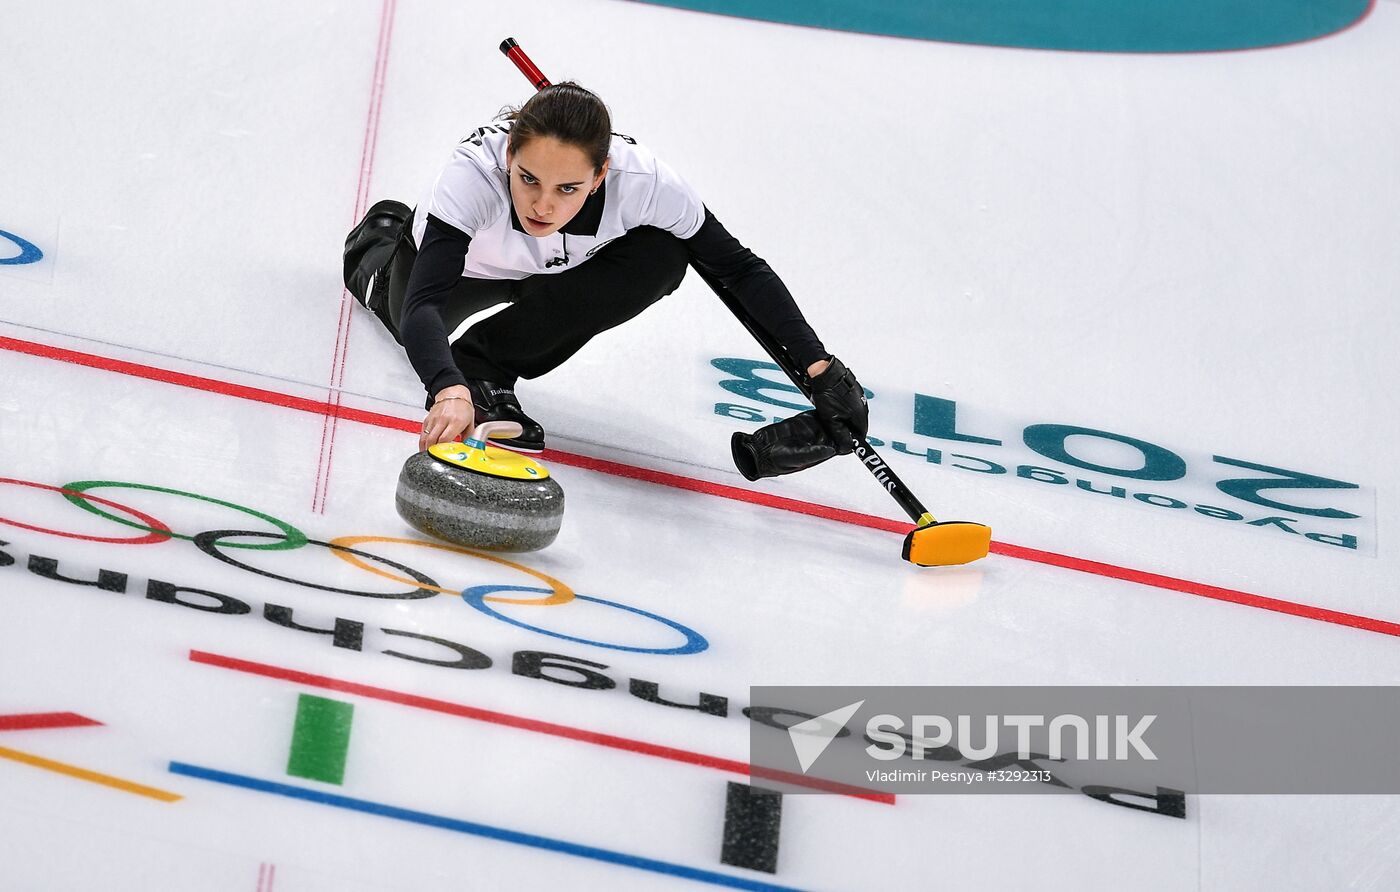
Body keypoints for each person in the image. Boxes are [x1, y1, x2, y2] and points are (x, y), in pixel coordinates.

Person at [343, 81, 868, 479]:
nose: (543, 204)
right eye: (528, 179)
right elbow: (424, 307)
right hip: (466, 270)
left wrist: (820, 368)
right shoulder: (472, 176)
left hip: (556, 270)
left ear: (600, 176)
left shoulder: (648, 184)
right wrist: (446, 389)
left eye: (568, 187)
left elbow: (739, 268)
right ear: (509, 157)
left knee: (666, 252)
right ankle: (381, 238)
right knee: (401, 319)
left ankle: (485, 364)